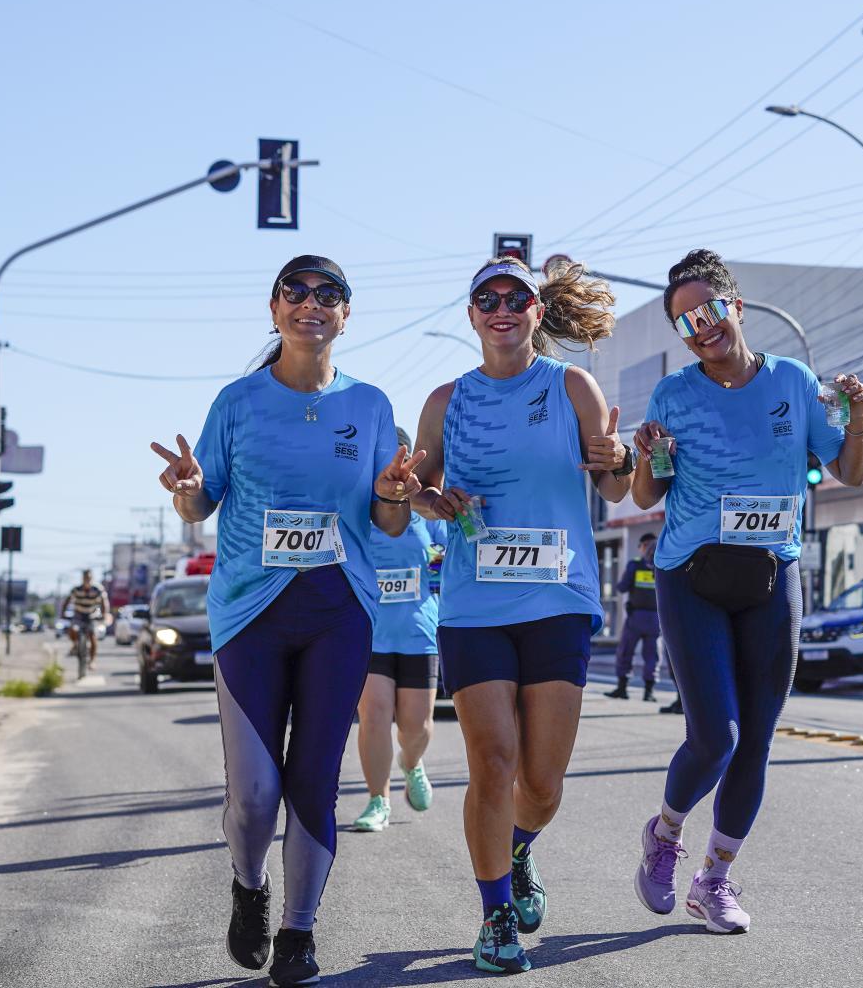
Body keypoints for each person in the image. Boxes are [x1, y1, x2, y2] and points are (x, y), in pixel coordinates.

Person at [150, 255, 425, 987]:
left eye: (328, 294)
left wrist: (395, 493)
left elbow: (388, 521)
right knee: (254, 794)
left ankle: (299, 930)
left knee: (312, 780)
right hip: (249, 614)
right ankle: (249, 886)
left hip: (340, 612)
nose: (312, 303)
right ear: (274, 309)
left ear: (345, 314)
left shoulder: (368, 405)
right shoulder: (237, 402)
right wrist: (186, 489)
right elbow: (200, 501)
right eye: (296, 292)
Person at [629, 249, 863, 935]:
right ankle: (666, 836)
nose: (698, 328)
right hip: (691, 576)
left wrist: (856, 415)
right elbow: (649, 493)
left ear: (736, 304)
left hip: (772, 576)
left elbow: (848, 470)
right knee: (716, 737)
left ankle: (716, 878)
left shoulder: (793, 382)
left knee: (756, 742)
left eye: (706, 311)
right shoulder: (674, 395)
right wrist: (647, 454)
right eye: (684, 322)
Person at [411, 254, 628, 974]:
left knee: (540, 782)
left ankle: (520, 848)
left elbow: (618, 488)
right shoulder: (446, 400)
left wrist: (621, 457)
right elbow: (420, 488)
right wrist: (428, 500)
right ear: (471, 315)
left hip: (558, 600)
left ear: (538, 312)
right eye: (486, 299)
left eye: (516, 298)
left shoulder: (571, 386)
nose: (501, 308)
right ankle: (494, 915)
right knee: (492, 762)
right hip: (475, 604)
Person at [352, 428, 448, 832]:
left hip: (417, 633)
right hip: (369, 632)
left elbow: (447, 557)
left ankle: (411, 763)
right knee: (373, 716)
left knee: (416, 728)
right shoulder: (357, 510)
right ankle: (378, 800)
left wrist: (438, 569)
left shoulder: (426, 512)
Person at [605, 533, 661, 702]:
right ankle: (649, 692)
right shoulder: (662, 565)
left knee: (626, 651)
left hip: (636, 616)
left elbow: (622, 588)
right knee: (652, 655)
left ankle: (622, 689)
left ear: (643, 545)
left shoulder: (635, 565)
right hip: (656, 618)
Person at [64, 568, 109, 669]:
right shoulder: (76, 589)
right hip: (79, 614)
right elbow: (67, 601)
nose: (87, 580)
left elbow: (104, 602)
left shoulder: (97, 589)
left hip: (91, 615)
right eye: (85, 578)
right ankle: (75, 644)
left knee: (92, 636)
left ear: (92, 578)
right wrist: (63, 613)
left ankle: (92, 661)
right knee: (72, 628)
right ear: (82, 578)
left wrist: (104, 614)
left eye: (89, 578)